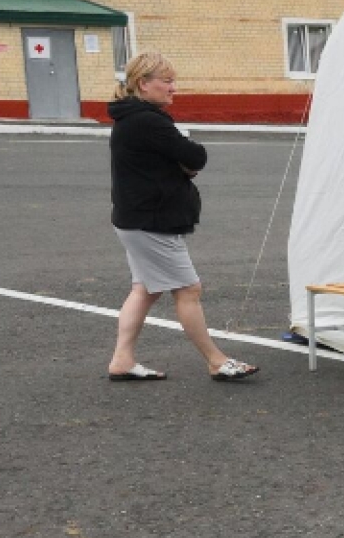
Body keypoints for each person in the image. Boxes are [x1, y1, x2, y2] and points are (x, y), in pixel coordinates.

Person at [105, 52, 256, 382]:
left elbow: (177, 161)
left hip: (135, 218)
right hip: (151, 221)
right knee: (189, 289)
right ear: (144, 84)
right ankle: (216, 360)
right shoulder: (149, 120)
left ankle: (122, 359)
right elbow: (194, 156)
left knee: (145, 288)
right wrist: (184, 164)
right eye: (167, 81)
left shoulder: (131, 118)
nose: (174, 88)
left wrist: (181, 164)